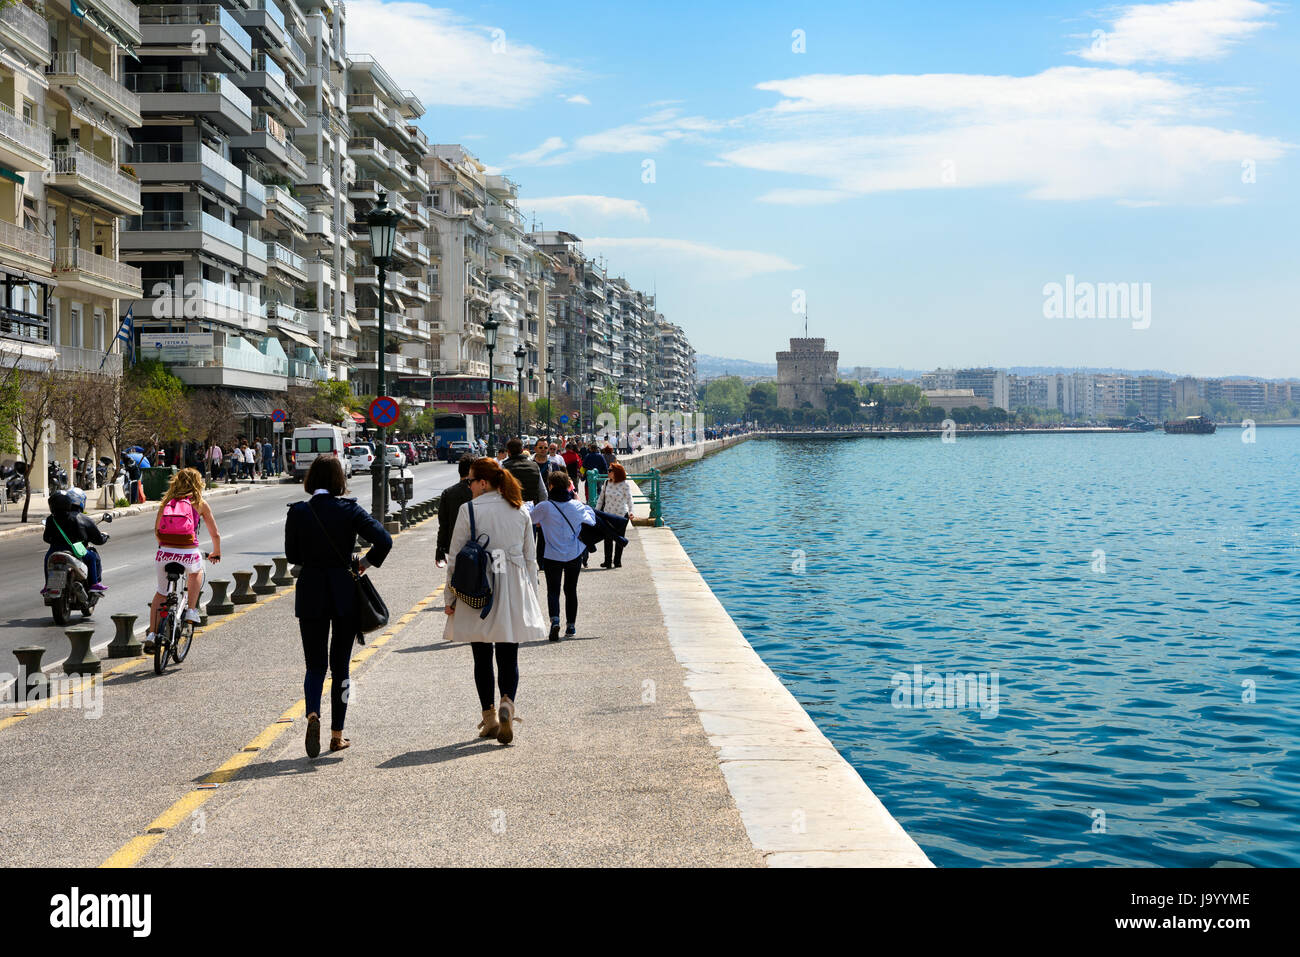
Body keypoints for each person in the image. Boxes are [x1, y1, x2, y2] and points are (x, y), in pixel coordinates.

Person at [285, 455, 392, 757]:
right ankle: (337, 735)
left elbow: (292, 555)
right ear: (339, 480)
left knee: (314, 665)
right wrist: (364, 565)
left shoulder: (298, 512)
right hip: (345, 593)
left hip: (310, 592)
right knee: (341, 665)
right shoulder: (350, 509)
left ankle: (312, 714)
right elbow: (383, 540)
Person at [443, 457, 547, 744]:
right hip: (512, 584)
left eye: (471, 481)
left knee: (481, 654)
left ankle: (489, 718)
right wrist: (531, 598)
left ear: (483, 482)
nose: (469, 486)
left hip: (479, 585)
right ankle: (507, 704)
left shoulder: (469, 510)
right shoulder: (520, 510)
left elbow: (455, 558)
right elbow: (530, 559)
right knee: (508, 652)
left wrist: (450, 596)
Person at [146, 468, 221, 654]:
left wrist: (166, 547)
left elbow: (157, 531)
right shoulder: (200, 503)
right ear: (198, 483)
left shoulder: (166, 502)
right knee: (197, 571)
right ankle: (191, 610)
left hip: (164, 554)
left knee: (161, 594)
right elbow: (215, 533)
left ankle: (152, 635)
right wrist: (216, 552)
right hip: (188, 553)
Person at [530, 470, 596, 641]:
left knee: (553, 590)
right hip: (573, 553)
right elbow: (591, 520)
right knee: (570, 589)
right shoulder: (576, 506)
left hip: (552, 554)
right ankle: (571, 626)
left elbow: (529, 519)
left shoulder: (544, 507)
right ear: (568, 486)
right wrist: (581, 503)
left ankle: (555, 621)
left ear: (550, 486)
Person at [42, 489, 108, 592]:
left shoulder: (51, 519)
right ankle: (94, 584)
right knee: (91, 558)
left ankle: (47, 586)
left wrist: (55, 541)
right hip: (75, 547)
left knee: (47, 561)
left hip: (54, 549)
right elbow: (86, 537)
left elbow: (46, 538)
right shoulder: (78, 517)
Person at [436, 453, 475, 567]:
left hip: (454, 547)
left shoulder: (448, 493)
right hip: (477, 546)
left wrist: (440, 550)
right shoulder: (480, 492)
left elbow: (443, 524)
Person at [596, 463, 635, 568]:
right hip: (608, 515)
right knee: (607, 538)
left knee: (619, 538)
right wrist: (596, 511)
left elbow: (629, 500)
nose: (608, 472)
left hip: (621, 516)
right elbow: (601, 499)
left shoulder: (624, 484)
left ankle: (617, 561)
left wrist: (631, 512)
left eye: (610, 470)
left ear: (616, 472)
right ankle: (607, 561)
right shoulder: (606, 483)